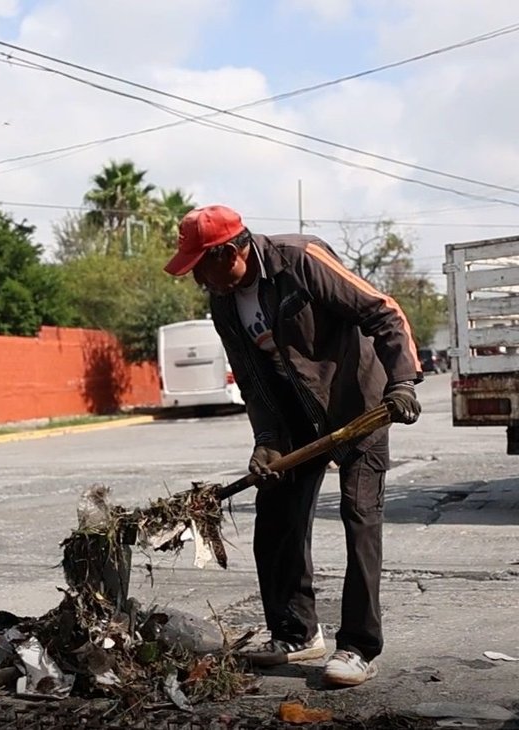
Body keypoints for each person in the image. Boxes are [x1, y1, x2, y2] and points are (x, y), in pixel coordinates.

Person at [164, 205, 422, 688]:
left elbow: (381, 311)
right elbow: (251, 379)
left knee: (359, 516)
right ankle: (296, 633)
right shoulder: (224, 302)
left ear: (229, 252)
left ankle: (359, 647)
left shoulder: (299, 259)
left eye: (200, 265)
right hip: (296, 419)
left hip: (357, 404)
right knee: (276, 513)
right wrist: (266, 441)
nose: (197, 277)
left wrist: (403, 381)